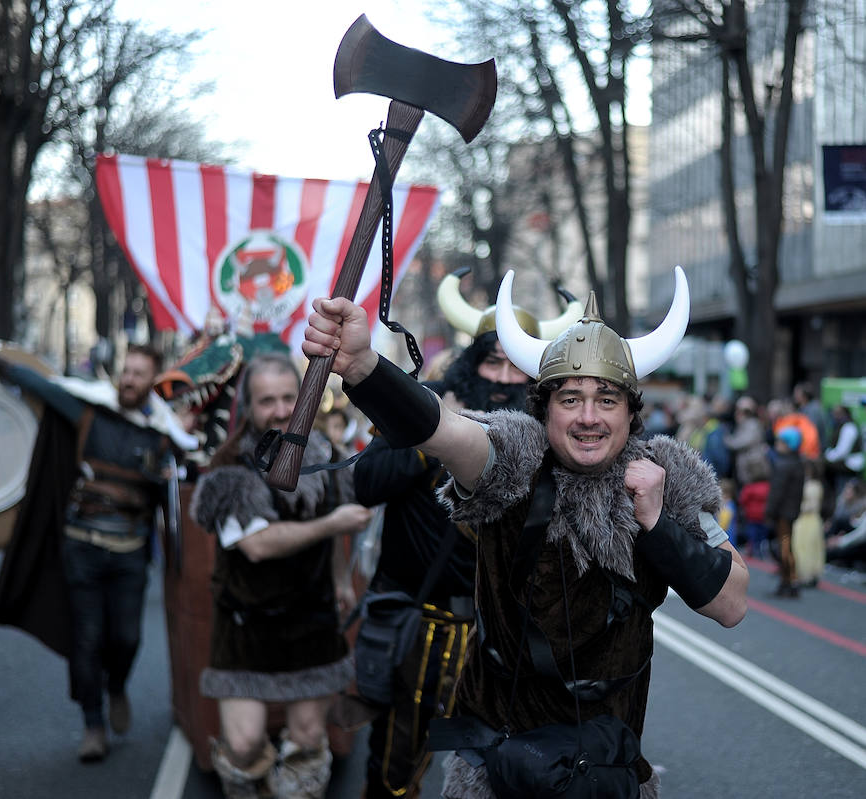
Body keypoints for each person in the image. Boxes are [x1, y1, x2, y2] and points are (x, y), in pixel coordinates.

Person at [302, 267, 748, 798]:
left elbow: (731, 603)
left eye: (607, 399)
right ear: (544, 407)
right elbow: (443, 431)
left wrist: (655, 523)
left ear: (632, 412)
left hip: (605, 768)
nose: (589, 417)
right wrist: (364, 367)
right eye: (570, 399)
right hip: (499, 762)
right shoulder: (514, 455)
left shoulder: (667, 477)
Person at [351, 269, 581, 799]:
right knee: (396, 769)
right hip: (423, 626)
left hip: (502, 642)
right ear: (470, 362)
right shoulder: (423, 403)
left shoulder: (546, 434)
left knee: (492, 770)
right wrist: (436, 432)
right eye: (490, 361)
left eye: (515, 366)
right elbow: (366, 483)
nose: (502, 378)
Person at [0, 332, 197, 762]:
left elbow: (185, 479)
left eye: (139, 374)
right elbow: (41, 386)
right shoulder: (90, 412)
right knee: (86, 640)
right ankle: (93, 724)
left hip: (129, 554)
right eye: (126, 371)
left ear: (152, 381)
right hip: (82, 549)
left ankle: (116, 687)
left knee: (126, 639)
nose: (128, 380)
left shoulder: (164, 435)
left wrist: (172, 469)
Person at [189, 353, 373, 799]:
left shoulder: (325, 454)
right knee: (244, 744)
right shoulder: (229, 467)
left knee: (308, 739)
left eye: (290, 397)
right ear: (248, 408)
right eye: (266, 400)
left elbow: (328, 533)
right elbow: (258, 544)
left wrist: (337, 582)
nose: (280, 409)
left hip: (311, 621)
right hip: (245, 624)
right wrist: (334, 525)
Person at [765, 427, 806, 597]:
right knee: (787, 545)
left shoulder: (784, 465)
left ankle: (790, 580)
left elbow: (777, 492)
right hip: (791, 511)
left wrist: (769, 511)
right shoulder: (797, 463)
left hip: (783, 513)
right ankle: (788, 580)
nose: (777, 444)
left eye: (781, 442)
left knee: (785, 547)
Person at [792, 461, 825, 587]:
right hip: (807, 519)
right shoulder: (809, 484)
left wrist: (798, 507)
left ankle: (808, 575)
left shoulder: (814, 485)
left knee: (807, 547)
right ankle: (803, 574)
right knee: (803, 547)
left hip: (808, 519)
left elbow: (813, 505)